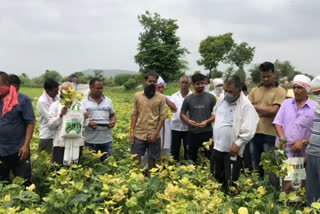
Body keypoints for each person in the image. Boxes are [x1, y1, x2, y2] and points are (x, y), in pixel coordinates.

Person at [211, 75, 258, 189]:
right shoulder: (222, 98)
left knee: (231, 178)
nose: (227, 93)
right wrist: (214, 135)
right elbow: (216, 113)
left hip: (232, 149)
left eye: (230, 91)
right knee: (217, 175)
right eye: (225, 90)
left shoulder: (246, 106)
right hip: (218, 145)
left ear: (239, 90)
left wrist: (238, 144)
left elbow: (249, 129)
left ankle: (230, 199)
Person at [248, 62, 286, 177]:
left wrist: (255, 107)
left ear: (274, 74)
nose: (265, 79)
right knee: (256, 164)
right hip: (255, 133)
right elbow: (247, 109)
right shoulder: (254, 90)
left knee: (270, 166)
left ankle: (271, 190)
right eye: (263, 76)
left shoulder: (279, 90)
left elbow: (273, 111)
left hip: (271, 134)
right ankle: (258, 189)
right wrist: (264, 110)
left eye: (268, 76)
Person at [0, 71, 35, 185]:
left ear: (6, 83)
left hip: (19, 150)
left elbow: (30, 122)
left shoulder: (22, 100)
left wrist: (26, 146)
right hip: (1, 150)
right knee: (3, 184)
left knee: (24, 184)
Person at [130, 72, 166, 170]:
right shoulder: (137, 96)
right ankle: (136, 180)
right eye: (150, 81)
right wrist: (132, 131)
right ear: (145, 82)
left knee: (153, 160)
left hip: (154, 134)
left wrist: (155, 133)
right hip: (139, 133)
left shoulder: (161, 98)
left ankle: (151, 180)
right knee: (136, 159)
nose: (152, 83)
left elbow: (162, 117)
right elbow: (134, 114)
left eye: (154, 81)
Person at [273, 75, 316, 158]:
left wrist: (303, 142)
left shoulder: (314, 108)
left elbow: (317, 134)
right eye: (294, 87)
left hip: (301, 155)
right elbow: (277, 123)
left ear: (306, 89)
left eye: (299, 88)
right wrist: (282, 138)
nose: (296, 91)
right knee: (279, 170)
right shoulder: (286, 103)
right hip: (282, 152)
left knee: (298, 171)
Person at [180, 73, 216, 163]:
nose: (200, 86)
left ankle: (209, 174)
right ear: (192, 85)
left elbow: (216, 114)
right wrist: (188, 121)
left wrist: (207, 121)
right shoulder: (188, 99)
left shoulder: (211, 98)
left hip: (207, 132)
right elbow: (182, 114)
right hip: (193, 133)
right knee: (192, 157)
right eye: (198, 84)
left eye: (202, 83)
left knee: (209, 156)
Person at [48, 82, 85, 165]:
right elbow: (50, 125)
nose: (65, 95)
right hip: (60, 144)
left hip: (76, 143)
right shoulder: (55, 106)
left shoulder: (80, 106)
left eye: (68, 92)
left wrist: (84, 118)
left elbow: (85, 125)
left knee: (76, 169)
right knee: (58, 170)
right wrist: (60, 116)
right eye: (62, 92)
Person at [81, 78, 116, 162]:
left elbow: (112, 115)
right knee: (91, 164)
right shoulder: (83, 102)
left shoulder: (108, 101)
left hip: (106, 140)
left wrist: (112, 121)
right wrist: (88, 123)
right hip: (90, 140)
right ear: (91, 88)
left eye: (102, 88)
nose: (101, 90)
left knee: (107, 164)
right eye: (98, 88)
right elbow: (79, 119)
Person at [170, 75, 192, 161]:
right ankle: (174, 164)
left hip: (188, 127)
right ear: (179, 84)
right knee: (175, 148)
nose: (184, 84)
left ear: (190, 84)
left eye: (186, 83)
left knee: (188, 148)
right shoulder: (174, 96)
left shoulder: (193, 96)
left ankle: (188, 164)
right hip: (175, 126)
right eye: (182, 82)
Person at [306, 76, 320, 206]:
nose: (317, 96)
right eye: (315, 93)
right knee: (312, 193)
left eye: (319, 92)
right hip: (312, 154)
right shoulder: (316, 109)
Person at [37, 79, 59, 154]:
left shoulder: (55, 97)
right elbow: (50, 119)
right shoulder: (42, 101)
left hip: (55, 135)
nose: (57, 93)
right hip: (47, 135)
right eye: (55, 91)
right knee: (45, 159)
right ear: (47, 90)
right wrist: (62, 115)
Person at [155, 77, 177, 156]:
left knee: (165, 148)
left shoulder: (168, 98)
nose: (161, 89)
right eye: (158, 87)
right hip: (154, 128)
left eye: (162, 87)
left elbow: (174, 108)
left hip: (166, 128)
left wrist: (163, 97)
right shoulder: (151, 99)